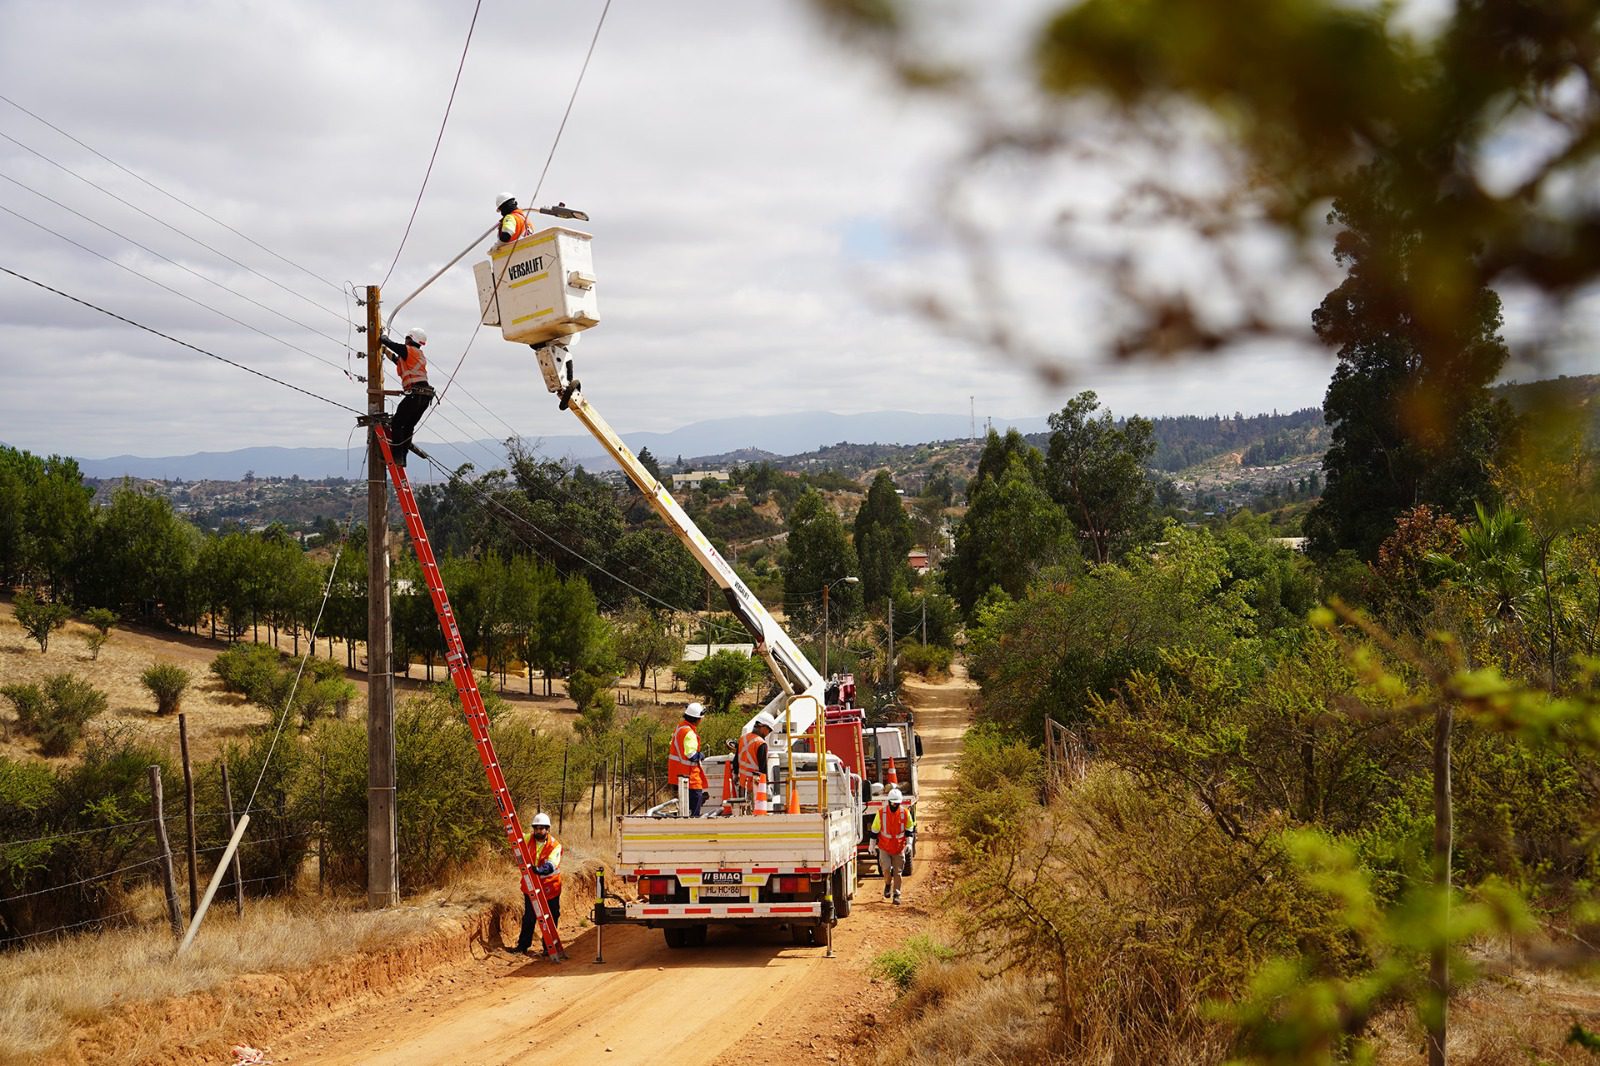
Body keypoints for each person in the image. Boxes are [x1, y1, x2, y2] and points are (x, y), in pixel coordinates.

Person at [378, 327, 431, 467]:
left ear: (410, 338)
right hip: (425, 397)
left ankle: (397, 457)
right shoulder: (416, 354)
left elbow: (386, 341)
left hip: (415, 395)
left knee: (397, 424)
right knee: (408, 427)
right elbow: (398, 361)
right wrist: (385, 352)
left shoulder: (408, 350)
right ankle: (402, 458)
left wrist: (383, 334)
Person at [512, 811, 562, 956]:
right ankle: (522, 946)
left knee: (552, 917)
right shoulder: (528, 839)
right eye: (536, 828)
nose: (538, 831)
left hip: (551, 887)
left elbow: (552, 864)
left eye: (541, 828)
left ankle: (548, 947)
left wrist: (540, 870)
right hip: (531, 886)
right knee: (529, 917)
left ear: (547, 829)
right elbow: (517, 838)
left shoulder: (555, 846)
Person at [869, 788, 915, 905]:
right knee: (886, 870)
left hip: (899, 848)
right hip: (884, 847)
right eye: (893, 802)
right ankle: (888, 884)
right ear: (889, 802)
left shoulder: (905, 813)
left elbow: (910, 829)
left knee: (898, 873)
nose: (895, 805)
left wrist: (909, 843)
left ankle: (897, 894)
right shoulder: (881, 813)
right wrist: (872, 846)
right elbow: (874, 831)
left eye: (897, 803)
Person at [668, 703, 710, 817]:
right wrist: (701, 755)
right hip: (690, 779)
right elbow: (691, 755)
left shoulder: (680, 728)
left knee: (685, 811)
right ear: (697, 719)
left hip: (679, 777)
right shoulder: (689, 733)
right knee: (693, 814)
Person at [737, 712, 775, 812]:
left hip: (742, 785)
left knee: (743, 813)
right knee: (756, 814)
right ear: (763, 727)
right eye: (769, 730)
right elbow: (763, 769)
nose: (768, 733)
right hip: (755, 786)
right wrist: (766, 787)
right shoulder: (760, 743)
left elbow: (735, 762)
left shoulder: (742, 739)